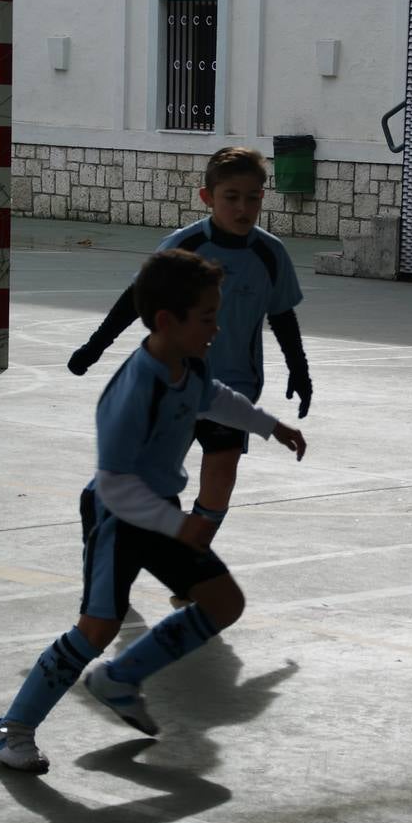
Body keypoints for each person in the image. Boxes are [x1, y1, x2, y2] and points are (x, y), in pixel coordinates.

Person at [0, 249, 306, 773]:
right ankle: (11, 728)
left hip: (161, 510)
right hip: (120, 515)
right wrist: (182, 525)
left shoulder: (187, 363)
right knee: (96, 628)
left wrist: (269, 425)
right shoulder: (137, 388)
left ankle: (120, 678)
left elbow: (214, 398)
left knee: (223, 602)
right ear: (166, 321)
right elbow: (113, 485)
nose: (216, 325)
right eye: (207, 317)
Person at [67, 147, 311, 560]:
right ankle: (103, 523)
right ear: (207, 197)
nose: (243, 207)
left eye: (252, 197)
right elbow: (135, 299)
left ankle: (189, 557)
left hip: (233, 383)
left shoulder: (270, 254)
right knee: (147, 477)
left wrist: (299, 371)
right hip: (173, 381)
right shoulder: (185, 245)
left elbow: (282, 315)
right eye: (231, 196)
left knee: (222, 468)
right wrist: (95, 346)